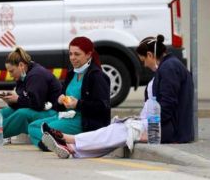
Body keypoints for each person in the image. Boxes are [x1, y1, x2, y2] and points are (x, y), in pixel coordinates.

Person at [42, 35, 194, 158]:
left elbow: (167, 105)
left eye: (143, 61)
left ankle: (68, 139)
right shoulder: (168, 67)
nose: (145, 65)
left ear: (150, 55)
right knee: (116, 131)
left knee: (119, 131)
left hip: (168, 130)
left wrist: (150, 128)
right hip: (160, 126)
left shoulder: (170, 68)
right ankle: (74, 149)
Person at [27, 36, 111, 151]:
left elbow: (103, 107)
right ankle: (55, 144)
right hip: (65, 116)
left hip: (83, 121)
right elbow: (60, 106)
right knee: (32, 127)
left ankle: (54, 143)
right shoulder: (72, 73)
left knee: (46, 130)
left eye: (77, 54)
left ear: (88, 54)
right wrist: (60, 100)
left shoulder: (97, 76)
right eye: (70, 54)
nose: (72, 58)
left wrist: (78, 104)